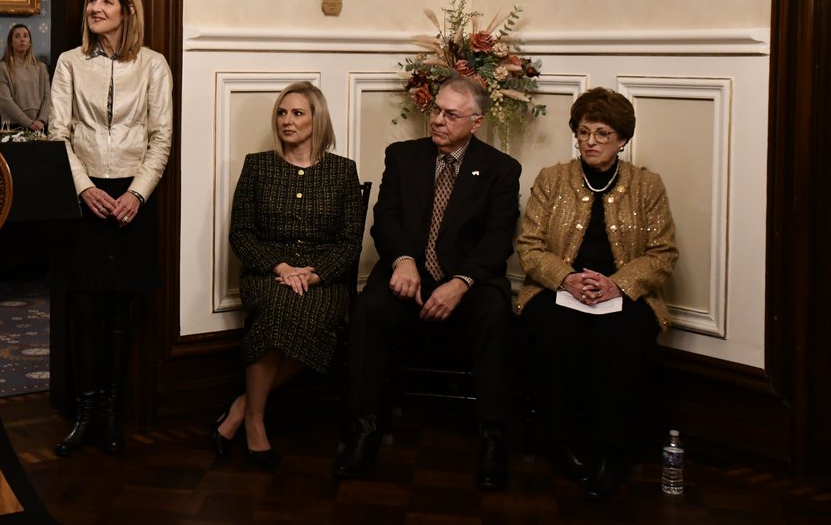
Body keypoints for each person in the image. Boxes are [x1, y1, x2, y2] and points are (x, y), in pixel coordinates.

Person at [334, 75, 521, 488]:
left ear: (476, 122)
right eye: (435, 110)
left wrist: (462, 281)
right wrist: (402, 261)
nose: (437, 120)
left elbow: (497, 238)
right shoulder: (403, 157)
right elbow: (387, 219)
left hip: (468, 280)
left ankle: (493, 436)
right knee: (369, 308)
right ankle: (363, 427)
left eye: (450, 114)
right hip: (409, 272)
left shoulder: (500, 169)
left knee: (495, 314)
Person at [514, 87, 678, 500]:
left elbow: (663, 253)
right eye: (583, 132)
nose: (590, 141)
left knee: (620, 341)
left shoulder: (647, 186)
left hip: (622, 295)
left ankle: (610, 453)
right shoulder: (552, 179)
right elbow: (530, 246)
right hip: (559, 290)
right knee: (554, 336)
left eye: (602, 133)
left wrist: (617, 284)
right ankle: (563, 444)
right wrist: (566, 279)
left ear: (623, 140)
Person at [49, 0, 173, 456]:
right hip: (83, 196)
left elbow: (161, 137)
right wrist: (83, 188)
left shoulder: (154, 65)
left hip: (132, 199)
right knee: (82, 310)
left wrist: (137, 195)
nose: (94, 8)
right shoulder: (68, 63)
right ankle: (84, 416)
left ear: (128, 10)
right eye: (91, 0)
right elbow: (58, 133)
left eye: (105, 1)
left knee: (120, 311)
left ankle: (111, 416)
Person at [212, 82, 363, 471]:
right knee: (278, 309)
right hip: (268, 273)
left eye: (298, 113)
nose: (287, 120)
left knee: (308, 317)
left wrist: (313, 276)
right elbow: (240, 234)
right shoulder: (258, 166)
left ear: (317, 119)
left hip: (322, 279)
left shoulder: (343, 171)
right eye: (282, 112)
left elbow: (349, 243)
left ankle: (243, 407)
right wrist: (281, 267)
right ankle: (257, 422)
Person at [0, 23, 51, 132]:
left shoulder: (41, 68)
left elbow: (48, 96)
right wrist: (29, 123)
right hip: (12, 126)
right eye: (17, 36)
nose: (22, 39)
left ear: (30, 42)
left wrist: (42, 120)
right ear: (11, 43)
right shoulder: (2, 68)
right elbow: (5, 101)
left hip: (39, 125)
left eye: (25, 36)